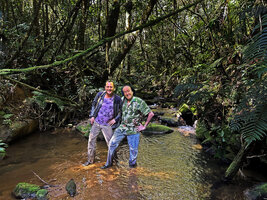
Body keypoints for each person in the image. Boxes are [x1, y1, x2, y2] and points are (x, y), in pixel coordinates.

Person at [101, 85, 154, 169]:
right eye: (125, 92)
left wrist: (144, 126)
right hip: (122, 127)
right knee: (111, 144)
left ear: (132, 91)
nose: (127, 93)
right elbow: (117, 110)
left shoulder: (139, 101)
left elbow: (150, 114)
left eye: (128, 91)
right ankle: (109, 163)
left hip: (133, 129)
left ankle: (132, 168)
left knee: (133, 150)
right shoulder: (122, 100)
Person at [83, 81, 122, 166]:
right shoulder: (100, 95)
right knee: (91, 141)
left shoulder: (117, 99)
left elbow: (122, 111)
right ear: (105, 87)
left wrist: (115, 119)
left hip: (107, 125)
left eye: (111, 87)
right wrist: (92, 116)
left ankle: (114, 162)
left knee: (111, 144)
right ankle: (90, 160)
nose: (109, 89)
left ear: (114, 88)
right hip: (96, 122)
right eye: (107, 87)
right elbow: (94, 104)